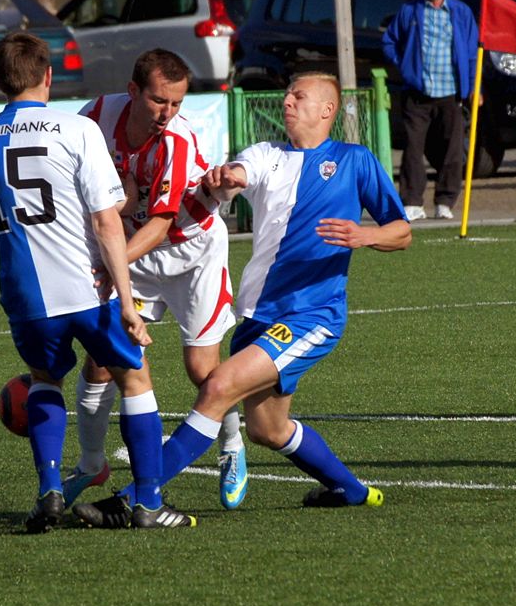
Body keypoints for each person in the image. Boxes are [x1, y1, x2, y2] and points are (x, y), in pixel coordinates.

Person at [74, 72, 411, 528]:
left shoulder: (355, 160)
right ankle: (351, 490)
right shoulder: (267, 154)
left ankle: (136, 498)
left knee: (217, 387)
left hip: (312, 315)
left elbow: (402, 232)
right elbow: (240, 172)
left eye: (298, 96)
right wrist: (227, 177)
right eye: (287, 95)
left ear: (327, 110)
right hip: (256, 316)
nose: (287, 102)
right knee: (268, 429)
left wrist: (365, 235)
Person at [0, 32, 196, 532]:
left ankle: (50, 488)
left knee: (44, 380)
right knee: (134, 377)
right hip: (86, 285)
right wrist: (128, 301)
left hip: (23, 290)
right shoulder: (78, 128)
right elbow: (105, 221)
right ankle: (148, 503)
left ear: (0, 79)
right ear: (49, 75)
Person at [62, 48, 249, 511]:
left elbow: (162, 225)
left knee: (202, 371)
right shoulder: (94, 118)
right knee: (102, 361)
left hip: (192, 251)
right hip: (133, 251)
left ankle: (231, 445)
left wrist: (111, 262)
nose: (168, 113)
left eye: (177, 103)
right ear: (132, 91)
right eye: (159, 101)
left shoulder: (176, 141)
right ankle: (90, 464)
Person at [382, 0, 479, 221]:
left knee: (452, 150)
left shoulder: (461, 12)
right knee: (413, 148)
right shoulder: (410, 12)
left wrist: (473, 87)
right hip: (418, 92)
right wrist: (405, 65)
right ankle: (412, 201)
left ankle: (445, 201)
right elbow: (389, 41)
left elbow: (472, 53)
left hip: (451, 93)